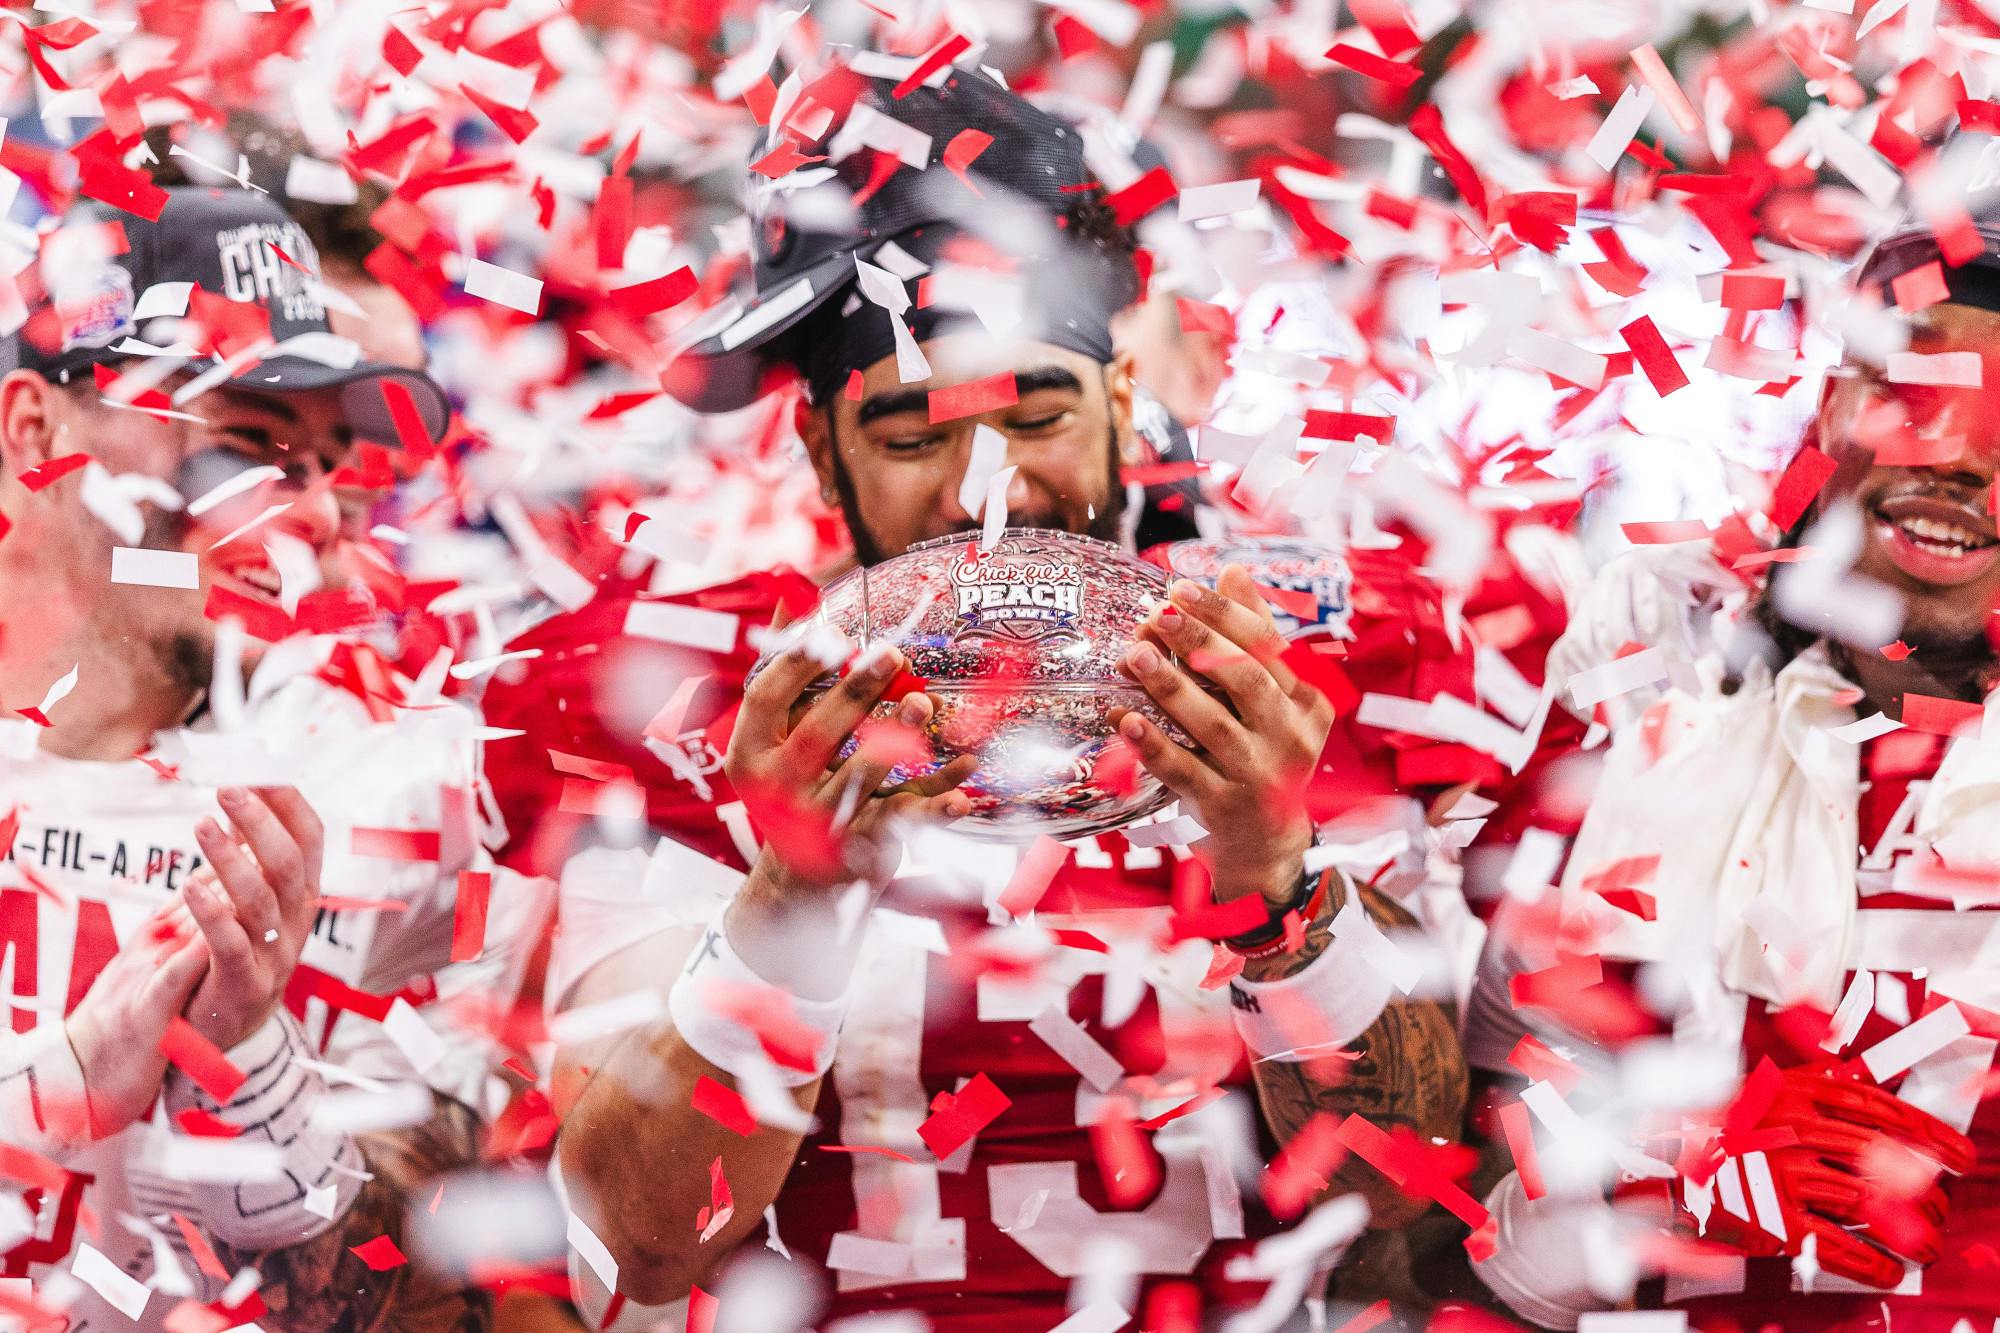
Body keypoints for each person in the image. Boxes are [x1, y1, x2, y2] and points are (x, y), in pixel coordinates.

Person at [483, 71, 1476, 1331]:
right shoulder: (675, 684)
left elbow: (1389, 1194)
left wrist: (1276, 876)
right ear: (818, 449)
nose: (983, 496)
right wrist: (788, 902)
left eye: (1037, 411)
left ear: (1123, 402)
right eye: (911, 435)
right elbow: (641, 1238)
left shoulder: (1269, 668)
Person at [1467, 214, 2000, 1332]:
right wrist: (1669, 1158)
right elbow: (1443, 1228)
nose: (1955, 455)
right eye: (1911, 396)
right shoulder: (1635, 704)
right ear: (1827, 419)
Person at [0, 185, 507, 1328]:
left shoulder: (373, 805)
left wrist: (255, 1075)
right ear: (37, 431)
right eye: (247, 444)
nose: (317, 518)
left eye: (325, 465)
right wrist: (65, 1087)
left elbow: (434, 1302)